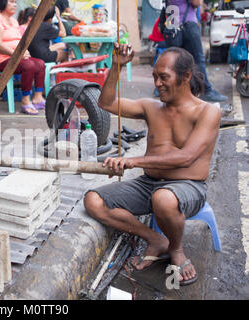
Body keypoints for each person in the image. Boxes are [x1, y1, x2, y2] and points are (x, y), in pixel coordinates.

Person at [84, 43, 221, 286]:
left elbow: (186, 157)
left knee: (164, 199)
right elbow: (106, 103)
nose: (157, 83)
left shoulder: (207, 112)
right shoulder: (151, 106)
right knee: (93, 201)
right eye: (155, 77)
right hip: (149, 184)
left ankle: (176, 250)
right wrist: (116, 66)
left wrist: (133, 160)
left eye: (164, 77)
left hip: (188, 186)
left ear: (186, 76)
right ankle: (156, 240)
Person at [0, 0, 46, 115]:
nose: (14, 5)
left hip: (15, 57)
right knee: (29, 65)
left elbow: (19, 41)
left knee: (40, 63)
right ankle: (25, 101)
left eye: (15, 2)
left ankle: (38, 97)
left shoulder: (13, 21)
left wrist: (25, 51)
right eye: (11, 2)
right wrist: (17, 54)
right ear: (3, 3)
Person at [163, 0, 227, 102]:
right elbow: (196, 3)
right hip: (187, 24)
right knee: (198, 59)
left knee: (177, 60)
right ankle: (206, 91)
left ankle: (171, 89)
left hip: (174, 25)